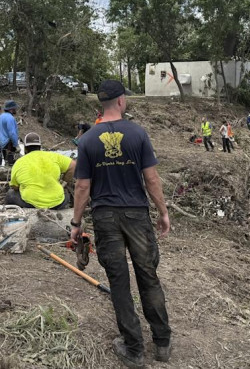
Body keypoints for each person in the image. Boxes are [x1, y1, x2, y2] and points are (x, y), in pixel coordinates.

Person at [71, 80, 171, 367]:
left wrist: (76, 223)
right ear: (120, 101)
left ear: (101, 104)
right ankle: (162, 343)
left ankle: (134, 349)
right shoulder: (138, 133)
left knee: (119, 282)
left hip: (105, 217)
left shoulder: (88, 140)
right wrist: (163, 212)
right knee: (148, 276)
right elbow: (151, 179)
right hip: (136, 215)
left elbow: (82, 186)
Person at [5, 132, 75, 209]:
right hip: (57, 203)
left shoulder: (19, 162)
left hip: (30, 204)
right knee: (65, 193)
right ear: (40, 147)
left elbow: (14, 186)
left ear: (25, 148)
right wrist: (64, 183)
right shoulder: (53, 156)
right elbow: (73, 165)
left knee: (10, 194)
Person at [0, 100, 20, 165]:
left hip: (3, 143)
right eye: (15, 108)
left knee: (6, 161)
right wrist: (16, 145)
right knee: (12, 164)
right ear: (11, 109)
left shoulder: (1, 116)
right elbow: (12, 133)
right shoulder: (10, 118)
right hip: (9, 144)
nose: (16, 109)